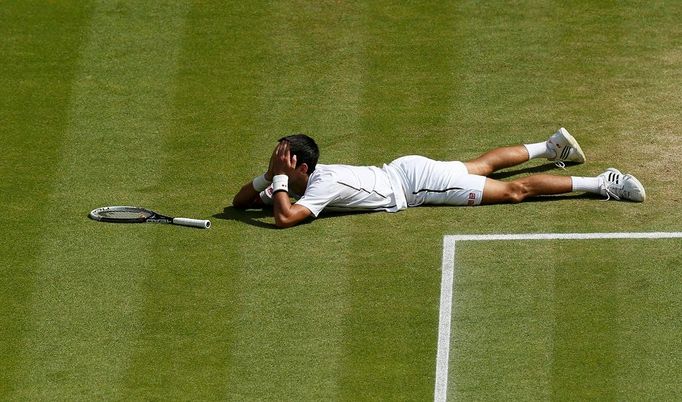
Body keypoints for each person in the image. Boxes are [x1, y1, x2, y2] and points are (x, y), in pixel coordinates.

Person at [232, 129, 646, 228]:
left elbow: (285, 219)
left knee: (512, 191)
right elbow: (239, 203)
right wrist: (270, 176)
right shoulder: (291, 180)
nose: (276, 165)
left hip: (414, 185)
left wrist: (279, 181)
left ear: (300, 168)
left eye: (282, 159)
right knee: (481, 166)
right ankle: (552, 147)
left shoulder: (318, 185)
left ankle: (603, 183)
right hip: (405, 168)